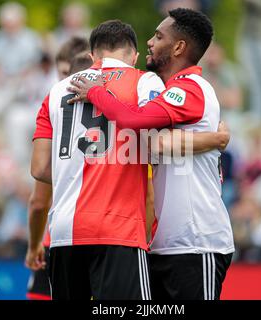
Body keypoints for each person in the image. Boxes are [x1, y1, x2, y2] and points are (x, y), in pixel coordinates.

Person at [31, 19, 229, 300]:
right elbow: (154, 141)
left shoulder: (56, 92)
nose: (152, 42)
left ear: (91, 57)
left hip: (63, 233)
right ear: (134, 56)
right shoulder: (145, 81)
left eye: (158, 36)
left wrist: (78, 169)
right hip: (118, 230)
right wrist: (216, 140)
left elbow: (39, 168)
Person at [24, 43, 90, 301]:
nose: (66, 82)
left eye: (67, 74)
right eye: (62, 75)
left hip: (61, 239)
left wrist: (33, 246)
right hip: (111, 240)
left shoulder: (56, 114)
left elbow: (39, 201)